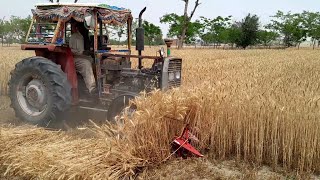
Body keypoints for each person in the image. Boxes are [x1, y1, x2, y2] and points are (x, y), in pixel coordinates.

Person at [69, 21, 97, 94]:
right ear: (79, 28)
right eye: (83, 27)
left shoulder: (85, 36)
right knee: (86, 63)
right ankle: (92, 88)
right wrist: (82, 52)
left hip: (83, 56)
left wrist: (89, 52)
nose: (85, 29)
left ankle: (97, 81)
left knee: (94, 60)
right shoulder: (74, 37)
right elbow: (70, 50)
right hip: (74, 58)